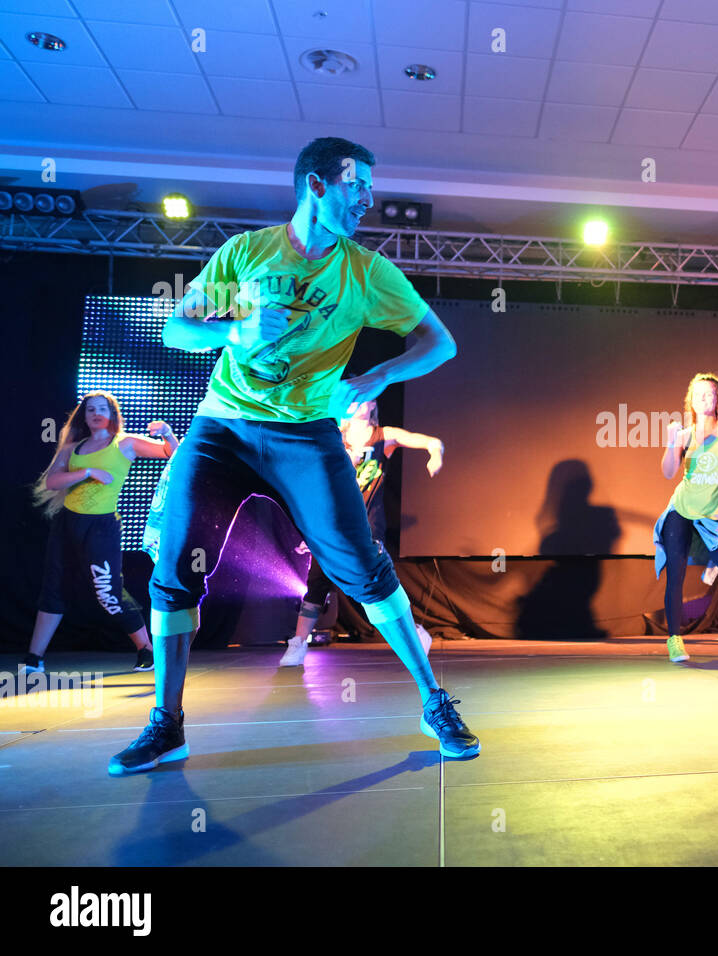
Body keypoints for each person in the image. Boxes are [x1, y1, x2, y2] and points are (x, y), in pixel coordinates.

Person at [108, 136, 478, 775]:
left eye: (370, 186)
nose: (368, 197)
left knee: (362, 567)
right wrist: (236, 330)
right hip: (222, 428)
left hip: (306, 433)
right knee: (174, 566)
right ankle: (166, 725)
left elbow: (438, 342)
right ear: (316, 184)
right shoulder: (247, 252)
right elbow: (176, 328)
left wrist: (377, 377)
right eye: (356, 183)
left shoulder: (367, 272)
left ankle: (434, 702)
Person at [281, 399, 444, 665]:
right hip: (334, 524)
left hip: (368, 522)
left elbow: (432, 442)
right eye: (352, 397)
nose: (357, 402)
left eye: (364, 396)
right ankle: (298, 645)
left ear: (374, 403)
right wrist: (311, 532)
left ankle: (413, 633)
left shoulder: (384, 436)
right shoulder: (334, 435)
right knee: (318, 580)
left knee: (372, 582)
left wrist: (435, 454)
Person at [25, 392, 177, 675]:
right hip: (67, 524)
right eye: (90, 409)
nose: (96, 413)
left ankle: (146, 649)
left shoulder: (125, 443)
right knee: (53, 588)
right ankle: (35, 658)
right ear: (83, 415)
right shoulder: (73, 447)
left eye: (102, 409)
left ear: (113, 413)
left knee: (108, 594)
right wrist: (87, 472)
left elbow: (170, 452)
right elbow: (53, 481)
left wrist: (167, 433)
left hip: (101, 527)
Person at [654, 373, 718, 662]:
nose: (704, 398)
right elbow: (667, 472)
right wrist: (670, 441)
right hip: (681, 511)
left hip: (713, 517)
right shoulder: (685, 434)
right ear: (690, 400)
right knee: (675, 576)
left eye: (710, 394)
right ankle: (674, 639)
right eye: (698, 394)